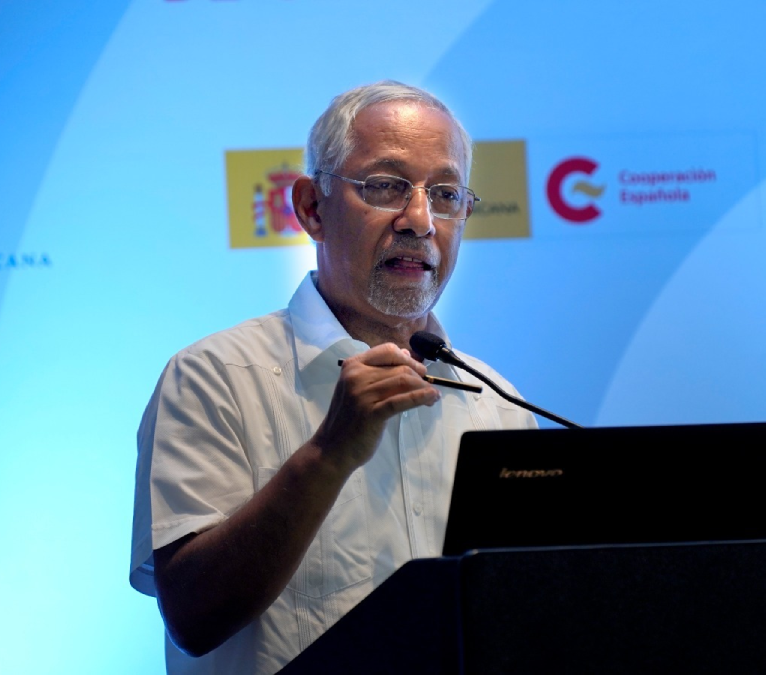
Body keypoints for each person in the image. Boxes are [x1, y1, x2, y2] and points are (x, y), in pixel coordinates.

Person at [130, 81, 537, 674]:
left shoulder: (497, 407)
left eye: (445, 194)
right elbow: (194, 618)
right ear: (312, 209)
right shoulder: (213, 379)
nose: (420, 220)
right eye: (387, 186)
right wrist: (327, 455)